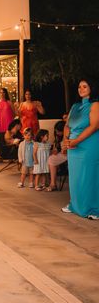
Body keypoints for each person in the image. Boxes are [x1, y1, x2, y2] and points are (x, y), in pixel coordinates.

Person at [62, 79, 99, 220]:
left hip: (88, 145)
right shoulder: (75, 106)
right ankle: (75, 205)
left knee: (89, 177)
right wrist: (67, 140)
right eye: (79, 87)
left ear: (92, 88)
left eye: (85, 86)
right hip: (73, 146)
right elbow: (67, 126)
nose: (81, 89)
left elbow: (94, 126)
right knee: (75, 177)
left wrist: (76, 140)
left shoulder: (95, 105)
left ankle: (94, 209)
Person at [0, 88, 16, 157]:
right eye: (0, 92)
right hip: (0, 123)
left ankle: (10, 155)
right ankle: (2, 155)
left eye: (3, 92)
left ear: (5, 93)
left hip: (8, 123)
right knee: (1, 140)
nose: (2, 94)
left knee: (9, 139)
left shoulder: (9, 102)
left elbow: (14, 113)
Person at [46, 120, 67, 192]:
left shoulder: (69, 134)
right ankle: (52, 183)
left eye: (59, 131)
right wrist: (56, 150)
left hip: (71, 153)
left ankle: (53, 183)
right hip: (63, 153)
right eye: (56, 131)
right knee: (50, 158)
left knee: (51, 159)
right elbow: (58, 148)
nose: (57, 133)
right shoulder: (58, 136)